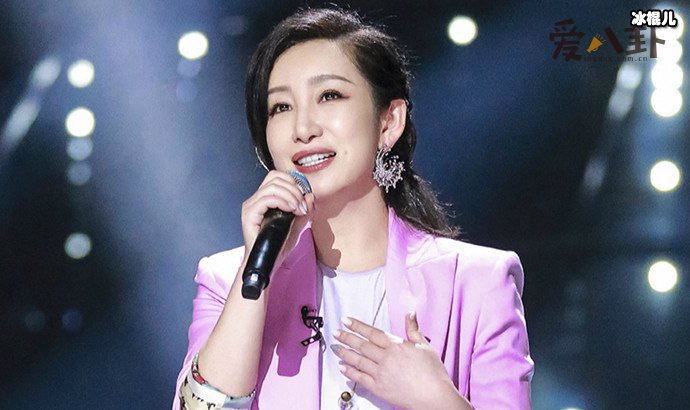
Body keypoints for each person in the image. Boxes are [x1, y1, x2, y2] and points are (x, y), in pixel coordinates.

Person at [174, 7, 533, 410]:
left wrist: (437, 400)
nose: (302, 129)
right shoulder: (228, 281)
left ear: (389, 122)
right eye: (281, 107)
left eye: (329, 96)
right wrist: (254, 277)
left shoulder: (478, 283)